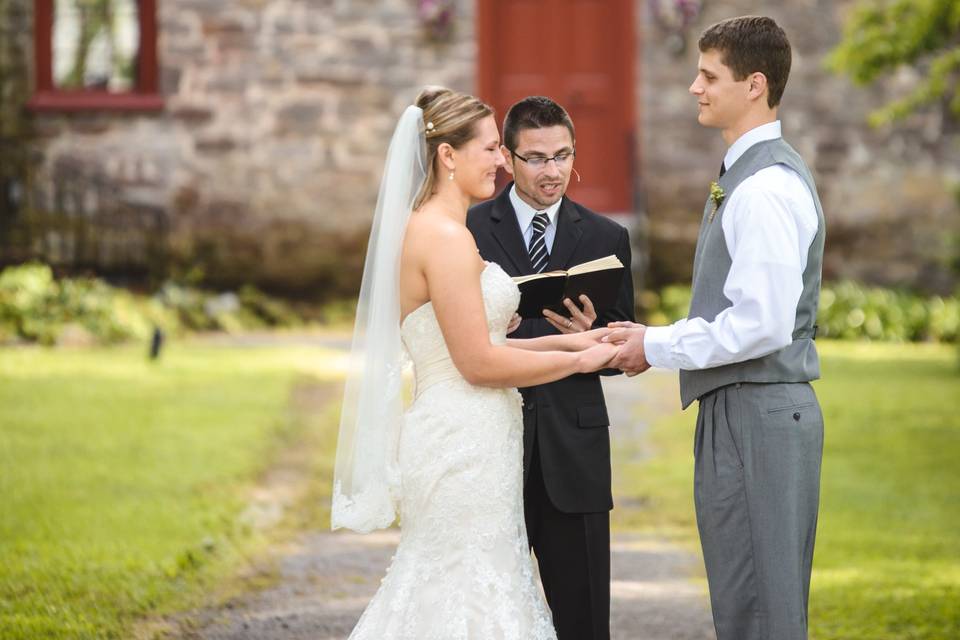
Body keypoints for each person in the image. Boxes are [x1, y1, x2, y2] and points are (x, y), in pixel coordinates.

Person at [331, 87, 619, 639]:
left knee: (473, 583)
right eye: (490, 149)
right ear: (448, 155)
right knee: (462, 592)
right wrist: (576, 362)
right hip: (462, 443)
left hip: (469, 435)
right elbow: (478, 364)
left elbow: (481, 347)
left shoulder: (432, 228)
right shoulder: (443, 238)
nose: (500, 162)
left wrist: (583, 345)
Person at [604, 16, 826, 640]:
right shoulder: (746, 178)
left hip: (757, 412)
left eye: (708, 76)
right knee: (744, 602)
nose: (694, 88)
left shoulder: (763, 191)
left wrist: (656, 343)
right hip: (741, 409)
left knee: (760, 609)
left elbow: (761, 325)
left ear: (754, 85)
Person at [467, 96, 635, 640]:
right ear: (508, 159)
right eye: (537, 158)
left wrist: (593, 334)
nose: (553, 171)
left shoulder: (608, 237)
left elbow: (623, 346)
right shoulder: (467, 229)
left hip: (575, 450)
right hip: (493, 442)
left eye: (563, 156)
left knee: (584, 620)